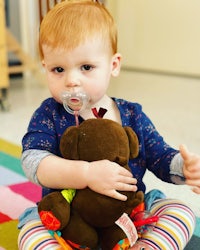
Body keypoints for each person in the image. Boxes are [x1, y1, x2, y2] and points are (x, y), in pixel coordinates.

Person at [17, 1, 200, 249]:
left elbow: (160, 156)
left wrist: (184, 167)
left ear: (113, 65)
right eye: (58, 69)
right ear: (45, 68)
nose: (71, 80)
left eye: (86, 67)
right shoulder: (49, 113)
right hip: (68, 219)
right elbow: (33, 162)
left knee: (181, 212)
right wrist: (86, 174)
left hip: (126, 215)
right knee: (31, 232)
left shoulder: (132, 115)